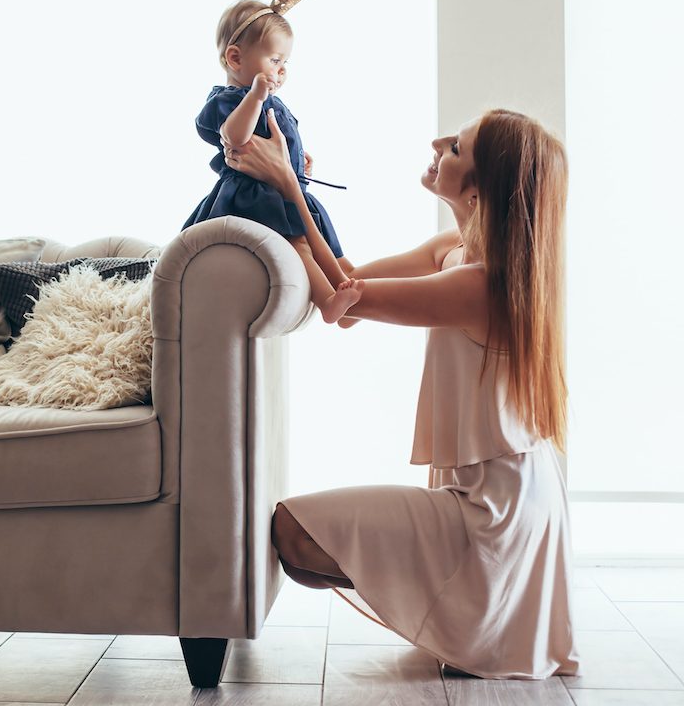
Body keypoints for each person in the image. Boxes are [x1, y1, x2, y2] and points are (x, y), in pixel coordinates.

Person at [224, 106, 580, 679]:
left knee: (293, 531)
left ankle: (462, 613)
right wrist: (298, 188)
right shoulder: (454, 249)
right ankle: (453, 611)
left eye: (457, 147)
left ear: (479, 189)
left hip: (494, 510)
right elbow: (348, 280)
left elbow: (344, 306)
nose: (439, 141)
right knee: (301, 538)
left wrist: (288, 186)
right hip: (509, 493)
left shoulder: (478, 284)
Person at [181, 0, 363, 323]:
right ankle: (329, 303)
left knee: (321, 240)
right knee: (299, 243)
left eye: (286, 63)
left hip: (283, 188)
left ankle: (347, 288)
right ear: (235, 58)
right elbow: (233, 136)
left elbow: (282, 140)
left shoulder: (269, 100)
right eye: (275, 59)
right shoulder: (229, 100)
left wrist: (301, 158)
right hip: (253, 196)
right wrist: (255, 97)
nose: (281, 71)